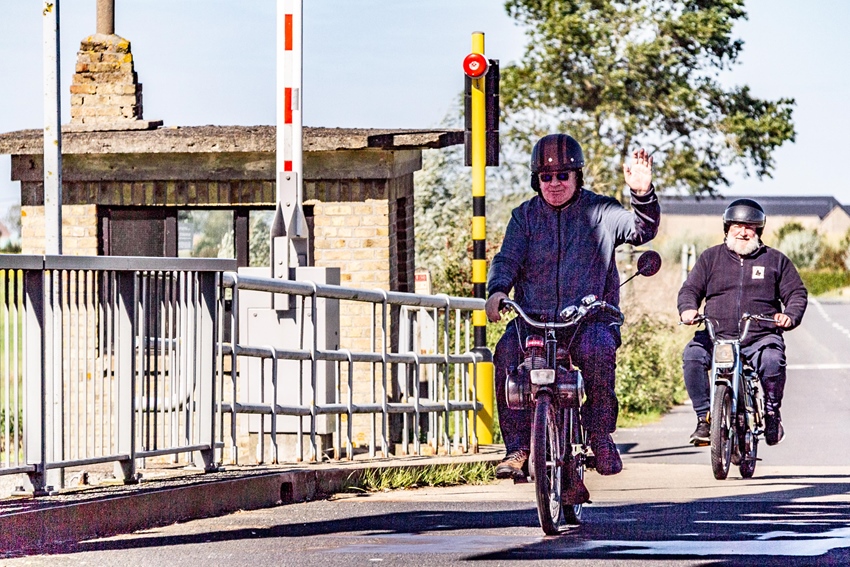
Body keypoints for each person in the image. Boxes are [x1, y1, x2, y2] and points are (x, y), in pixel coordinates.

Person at [485, 133, 660, 494]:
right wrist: (498, 290)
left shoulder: (601, 211)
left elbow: (641, 230)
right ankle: (517, 448)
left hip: (588, 319)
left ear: (577, 176)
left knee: (599, 351)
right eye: (546, 177)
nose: (554, 183)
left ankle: (599, 434)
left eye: (563, 175)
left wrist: (642, 194)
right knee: (505, 353)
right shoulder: (524, 217)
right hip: (533, 319)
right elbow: (507, 259)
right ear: (536, 180)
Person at [678, 198, 808, 447]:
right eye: (737, 226)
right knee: (692, 356)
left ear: (758, 230)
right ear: (727, 228)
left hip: (760, 336)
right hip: (716, 335)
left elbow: (796, 293)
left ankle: (771, 413)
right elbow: (690, 290)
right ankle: (704, 419)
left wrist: (790, 315)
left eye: (749, 227)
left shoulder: (775, 260)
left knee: (773, 360)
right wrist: (688, 309)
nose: (743, 232)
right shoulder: (710, 258)